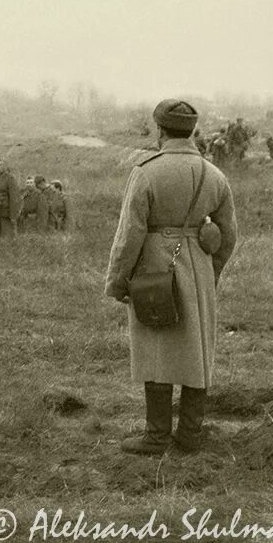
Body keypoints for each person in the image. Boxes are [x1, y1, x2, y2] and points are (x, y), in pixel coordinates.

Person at [104, 98, 237, 455]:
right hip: (199, 269)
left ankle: (156, 436)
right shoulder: (215, 175)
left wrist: (118, 281)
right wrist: (211, 274)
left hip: (153, 270)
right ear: (192, 131)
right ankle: (190, 435)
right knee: (198, 353)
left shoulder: (146, 171)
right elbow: (229, 236)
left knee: (156, 351)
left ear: (160, 130)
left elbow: (129, 234)